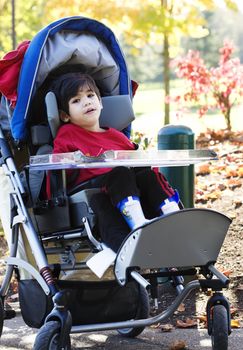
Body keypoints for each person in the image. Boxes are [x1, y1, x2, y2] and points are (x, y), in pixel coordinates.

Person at [48, 72, 180, 252]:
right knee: (120, 172)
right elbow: (58, 170)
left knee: (148, 175)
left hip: (130, 188)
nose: (86, 102)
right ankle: (138, 223)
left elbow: (139, 163)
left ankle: (173, 214)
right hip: (95, 190)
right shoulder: (68, 134)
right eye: (76, 101)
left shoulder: (116, 136)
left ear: (100, 102)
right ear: (64, 115)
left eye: (90, 95)